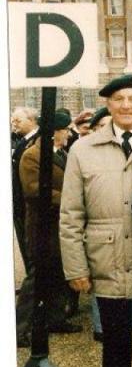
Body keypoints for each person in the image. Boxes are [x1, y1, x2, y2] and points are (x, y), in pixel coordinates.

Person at [60, 74, 132, 367]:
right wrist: (76, 267)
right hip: (106, 262)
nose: (126, 105)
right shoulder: (83, 149)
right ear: (107, 104)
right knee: (115, 347)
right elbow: (70, 214)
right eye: (118, 99)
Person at [15, 111, 81, 348]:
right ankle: (18, 329)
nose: (68, 134)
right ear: (55, 132)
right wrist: (71, 199)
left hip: (60, 226)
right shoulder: (32, 156)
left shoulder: (59, 153)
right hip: (42, 228)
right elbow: (34, 190)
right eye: (65, 130)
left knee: (59, 275)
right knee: (37, 279)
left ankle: (55, 319)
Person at [12, 106, 40, 347]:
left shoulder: (33, 145)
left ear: (32, 121)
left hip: (37, 216)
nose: (14, 124)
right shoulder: (24, 145)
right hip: (26, 212)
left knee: (39, 268)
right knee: (36, 268)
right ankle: (20, 328)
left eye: (18, 120)